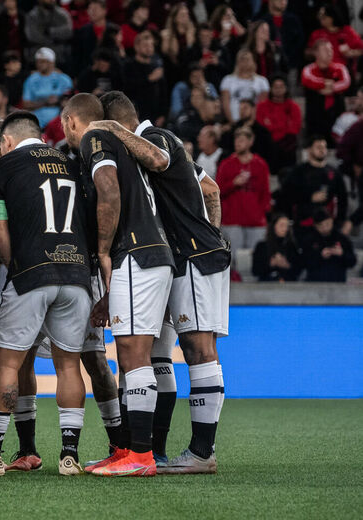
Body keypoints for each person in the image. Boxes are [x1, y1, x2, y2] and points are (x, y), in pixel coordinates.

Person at [90, 91, 229, 474]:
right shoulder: (161, 149)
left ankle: (202, 452)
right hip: (179, 258)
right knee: (169, 353)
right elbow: (212, 189)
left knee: (200, 348)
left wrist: (202, 238)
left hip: (193, 256)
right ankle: (166, 452)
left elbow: (158, 160)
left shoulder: (158, 138)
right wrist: (209, 231)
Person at [63, 93, 175, 477]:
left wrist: (104, 251)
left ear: (69, 121)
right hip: (150, 254)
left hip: (136, 253)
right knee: (130, 356)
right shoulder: (122, 147)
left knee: (132, 356)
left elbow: (108, 191)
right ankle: (128, 448)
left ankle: (140, 455)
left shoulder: (95, 139)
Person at [0, 111, 91, 476]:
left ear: (8, 142)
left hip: (31, 273)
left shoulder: (4, 168)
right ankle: (69, 455)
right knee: (68, 365)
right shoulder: (72, 163)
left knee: (8, 364)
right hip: (78, 274)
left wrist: (11, 263)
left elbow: (2, 234)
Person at [216, 126, 271, 269]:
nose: (238, 143)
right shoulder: (226, 164)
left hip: (255, 220)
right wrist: (234, 183)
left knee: (256, 259)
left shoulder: (260, 165)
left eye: (241, 140)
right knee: (233, 260)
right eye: (236, 140)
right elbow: (217, 191)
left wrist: (261, 214)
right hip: (232, 220)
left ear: (250, 141)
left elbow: (265, 193)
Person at [279, 136, 349, 237]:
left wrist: (339, 222)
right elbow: (286, 195)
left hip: (326, 226)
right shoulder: (298, 172)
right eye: (318, 147)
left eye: (324, 147)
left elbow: (343, 199)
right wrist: (309, 197)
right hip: (303, 224)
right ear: (309, 149)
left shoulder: (334, 173)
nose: (322, 150)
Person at [301, 39, 351, 146]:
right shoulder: (308, 69)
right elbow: (307, 80)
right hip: (315, 116)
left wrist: (330, 87)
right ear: (316, 53)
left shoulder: (340, 68)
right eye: (325, 50)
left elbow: (346, 82)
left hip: (336, 114)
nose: (329, 52)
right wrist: (325, 83)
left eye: (331, 49)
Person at [256, 75, 301, 172]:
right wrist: (283, 126)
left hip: (286, 145)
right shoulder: (261, 107)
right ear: (271, 89)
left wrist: (272, 126)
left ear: (286, 88)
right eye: (276, 87)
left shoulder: (294, 107)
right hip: (268, 144)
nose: (278, 90)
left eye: (281, 87)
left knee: (290, 140)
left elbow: (295, 128)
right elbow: (261, 127)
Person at [123, 31, 167, 126]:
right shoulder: (128, 66)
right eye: (145, 45)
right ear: (137, 47)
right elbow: (127, 88)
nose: (149, 48)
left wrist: (163, 115)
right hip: (136, 116)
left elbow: (163, 94)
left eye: (151, 45)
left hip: (156, 118)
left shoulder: (156, 67)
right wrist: (148, 79)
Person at [21, 47, 73, 128]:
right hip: (36, 122)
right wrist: (45, 102)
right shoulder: (31, 80)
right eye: (37, 61)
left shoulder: (64, 79)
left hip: (60, 123)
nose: (39, 64)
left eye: (43, 61)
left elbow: (70, 102)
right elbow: (26, 104)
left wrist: (58, 101)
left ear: (51, 62)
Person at [300, 209, 356, 282]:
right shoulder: (309, 240)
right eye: (321, 225)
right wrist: (320, 256)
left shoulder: (342, 239)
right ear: (316, 226)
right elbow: (303, 263)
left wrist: (342, 254)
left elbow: (352, 262)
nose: (325, 228)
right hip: (315, 283)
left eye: (327, 224)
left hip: (338, 283)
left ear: (331, 221)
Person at [220, 50, 269, 123]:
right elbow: (225, 103)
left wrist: (253, 122)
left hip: (255, 121)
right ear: (237, 62)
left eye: (248, 59)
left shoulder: (262, 81)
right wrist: (232, 122)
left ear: (253, 62)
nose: (245, 62)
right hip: (234, 119)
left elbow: (262, 104)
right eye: (242, 59)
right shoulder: (227, 80)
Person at [252, 213, 303, 281]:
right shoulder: (262, 246)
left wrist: (287, 265)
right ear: (273, 226)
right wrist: (271, 264)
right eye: (282, 225)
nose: (285, 229)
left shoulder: (292, 246)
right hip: (266, 283)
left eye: (287, 226)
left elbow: (299, 269)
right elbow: (255, 271)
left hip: (288, 283)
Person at [257, 0, 304, 71]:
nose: (283, 2)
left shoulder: (294, 21)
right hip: (266, 64)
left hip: (290, 65)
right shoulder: (260, 20)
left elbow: (299, 43)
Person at [24, 0, 73, 68]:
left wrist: (49, 31)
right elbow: (32, 36)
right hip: (37, 57)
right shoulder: (32, 16)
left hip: (60, 59)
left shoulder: (63, 14)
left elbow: (68, 32)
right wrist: (54, 40)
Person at [72, 0, 114, 75]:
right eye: (90, 9)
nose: (92, 12)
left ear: (105, 11)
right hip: (87, 73)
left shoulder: (113, 30)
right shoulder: (83, 31)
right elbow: (77, 56)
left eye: (95, 9)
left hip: (110, 74)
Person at [0, 0, 26, 73]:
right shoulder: (0, 18)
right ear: (4, 3)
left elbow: (26, 35)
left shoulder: (22, 16)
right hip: (4, 53)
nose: (10, 3)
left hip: (20, 52)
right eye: (8, 1)